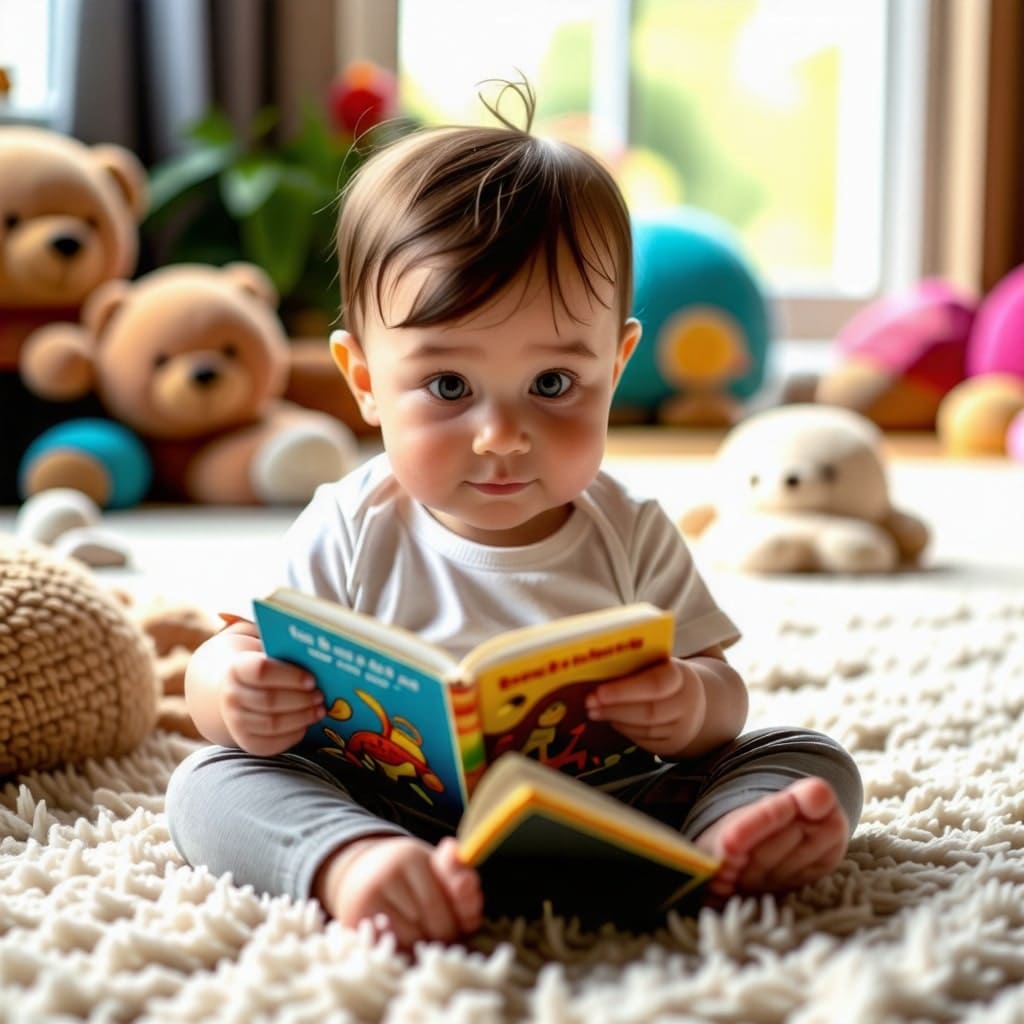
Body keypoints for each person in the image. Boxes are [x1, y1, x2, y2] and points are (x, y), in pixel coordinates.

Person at [166, 81, 862, 950]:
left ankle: (721, 846)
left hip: (605, 807)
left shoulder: (631, 527)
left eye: (554, 385)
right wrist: (232, 691)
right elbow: (233, 651)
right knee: (210, 778)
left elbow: (720, 688)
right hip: (387, 804)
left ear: (616, 364)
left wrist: (688, 704)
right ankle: (353, 863)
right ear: (366, 381)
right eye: (449, 386)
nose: (502, 436)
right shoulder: (352, 519)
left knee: (807, 757)